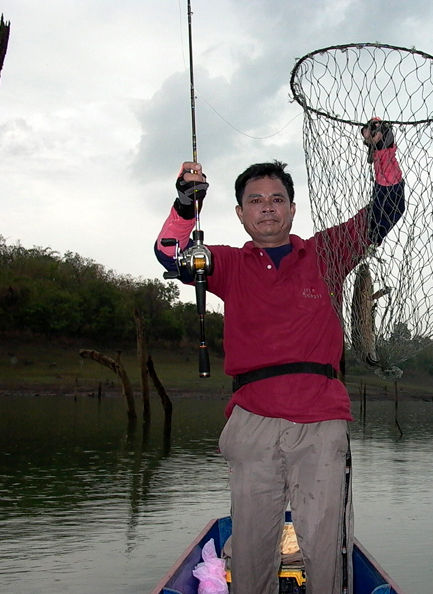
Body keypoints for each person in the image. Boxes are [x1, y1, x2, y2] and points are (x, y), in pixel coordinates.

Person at [154, 120, 404, 594]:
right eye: (255, 200)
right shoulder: (225, 262)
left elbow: (387, 210)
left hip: (322, 421)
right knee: (250, 544)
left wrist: (383, 152)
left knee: (328, 543)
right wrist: (185, 203)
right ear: (240, 212)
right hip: (252, 422)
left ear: (292, 208)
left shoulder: (327, 252)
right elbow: (170, 255)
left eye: (276, 199)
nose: (266, 208)